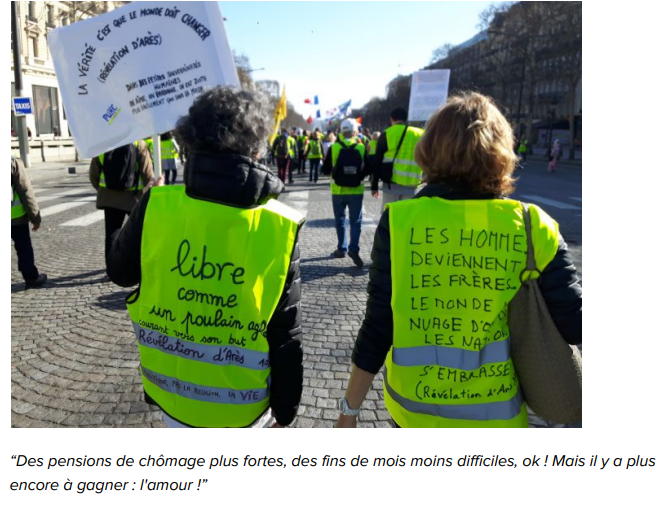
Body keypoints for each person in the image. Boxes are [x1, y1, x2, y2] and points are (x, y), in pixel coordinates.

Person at [336, 92, 582, 428]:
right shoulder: (532, 225)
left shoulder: (399, 221)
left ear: (430, 149)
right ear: (503, 151)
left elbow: (379, 324)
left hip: (412, 410)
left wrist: (349, 411)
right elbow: (574, 323)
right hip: (497, 414)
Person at [107, 86, 305, 428]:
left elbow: (119, 272)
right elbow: (285, 335)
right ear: (256, 148)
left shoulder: (156, 205)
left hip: (172, 393)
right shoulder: (279, 226)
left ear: (190, 140)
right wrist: (285, 414)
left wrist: (127, 213)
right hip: (243, 408)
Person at [89, 140, 154, 265]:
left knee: (112, 234)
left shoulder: (102, 144)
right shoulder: (138, 144)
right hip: (134, 199)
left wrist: (102, 190)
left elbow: (93, 174)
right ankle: (140, 265)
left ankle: (111, 269)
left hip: (109, 198)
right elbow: (147, 174)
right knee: (140, 233)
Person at [321, 119, 367, 268]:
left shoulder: (334, 147)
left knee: (340, 220)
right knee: (356, 221)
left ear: (341, 131)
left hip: (338, 190)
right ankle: (354, 248)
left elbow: (325, 170)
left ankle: (342, 248)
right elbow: (367, 169)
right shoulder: (361, 147)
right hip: (356, 190)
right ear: (355, 132)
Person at [371, 107, 425, 210]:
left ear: (392, 118)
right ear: (405, 118)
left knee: (389, 217)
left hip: (391, 183)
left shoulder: (386, 134)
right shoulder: (420, 133)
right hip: (413, 184)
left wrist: (374, 185)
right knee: (408, 217)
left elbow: (377, 162)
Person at [11, 157, 47, 289]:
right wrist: (35, 216)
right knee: (23, 248)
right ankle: (31, 278)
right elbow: (25, 190)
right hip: (15, 217)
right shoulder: (12, 162)